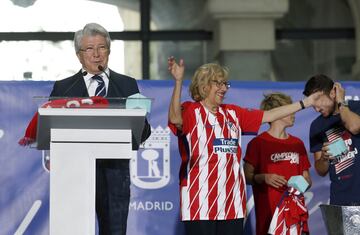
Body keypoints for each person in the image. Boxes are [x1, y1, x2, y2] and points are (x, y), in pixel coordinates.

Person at [167, 57, 320, 235]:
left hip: (233, 205)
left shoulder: (233, 113)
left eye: (226, 84)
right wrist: (178, 81)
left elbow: (269, 115)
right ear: (204, 85)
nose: (224, 88)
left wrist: (305, 103)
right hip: (199, 204)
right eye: (219, 83)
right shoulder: (191, 110)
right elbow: (175, 119)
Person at [49, 23, 151, 235]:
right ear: (79, 55)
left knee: (114, 230)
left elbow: (143, 132)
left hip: (115, 171)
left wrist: (140, 121)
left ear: (109, 51)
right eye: (89, 49)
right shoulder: (64, 88)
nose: (96, 54)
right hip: (75, 170)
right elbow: (52, 129)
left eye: (101, 47)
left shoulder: (126, 85)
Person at [244, 92, 312, 235]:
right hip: (268, 214)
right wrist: (264, 177)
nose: (294, 113)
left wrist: (301, 183)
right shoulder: (257, 143)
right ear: (277, 114)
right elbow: (246, 176)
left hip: (294, 215)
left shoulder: (297, 144)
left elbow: (307, 180)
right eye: (290, 110)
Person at [303, 74, 360, 206]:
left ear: (333, 93)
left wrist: (341, 101)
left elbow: (354, 127)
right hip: (340, 199)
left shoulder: (357, 108)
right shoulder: (316, 126)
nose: (316, 109)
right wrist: (324, 158)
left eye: (318, 102)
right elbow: (321, 171)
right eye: (313, 106)